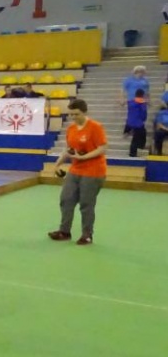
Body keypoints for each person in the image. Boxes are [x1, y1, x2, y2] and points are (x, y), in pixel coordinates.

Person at [48, 99, 107, 245]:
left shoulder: (95, 127)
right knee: (66, 199)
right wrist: (57, 164)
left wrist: (83, 157)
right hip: (75, 170)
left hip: (93, 171)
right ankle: (64, 232)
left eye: (77, 114)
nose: (74, 117)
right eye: (71, 114)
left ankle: (87, 235)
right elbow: (69, 150)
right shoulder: (71, 129)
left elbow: (102, 148)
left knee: (86, 204)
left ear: (84, 112)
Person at [121, 66, 149, 135]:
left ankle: (138, 129)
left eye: (143, 72)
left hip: (142, 100)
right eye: (141, 72)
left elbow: (147, 91)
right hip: (132, 100)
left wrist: (148, 99)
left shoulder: (145, 80)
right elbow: (123, 90)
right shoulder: (129, 80)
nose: (143, 73)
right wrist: (122, 99)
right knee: (132, 115)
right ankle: (128, 129)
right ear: (137, 72)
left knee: (142, 114)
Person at [126, 88, 148, 157]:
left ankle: (138, 148)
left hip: (130, 122)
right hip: (138, 123)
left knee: (140, 134)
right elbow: (143, 114)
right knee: (137, 137)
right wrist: (143, 119)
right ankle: (133, 153)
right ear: (142, 95)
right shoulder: (142, 103)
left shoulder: (130, 102)